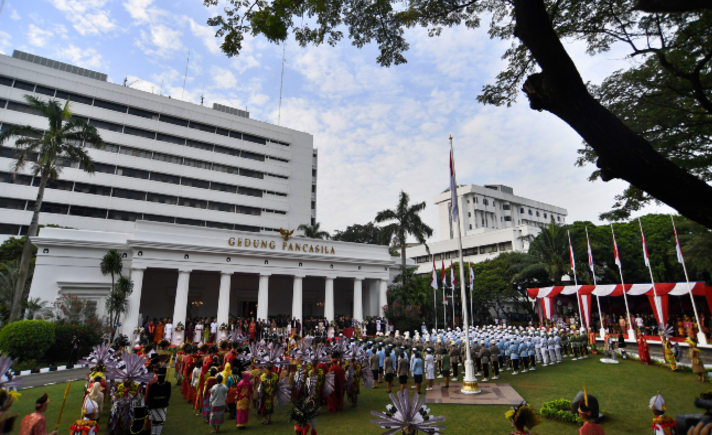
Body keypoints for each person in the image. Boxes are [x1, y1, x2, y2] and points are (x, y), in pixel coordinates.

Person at [146, 368, 171, 435]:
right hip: (161, 405)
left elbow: (150, 397)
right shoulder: (167, 385)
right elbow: (168, 397)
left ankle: (154, 433)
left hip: (154, 406)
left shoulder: (154, 386)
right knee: (158, 422)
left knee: (155, 422)